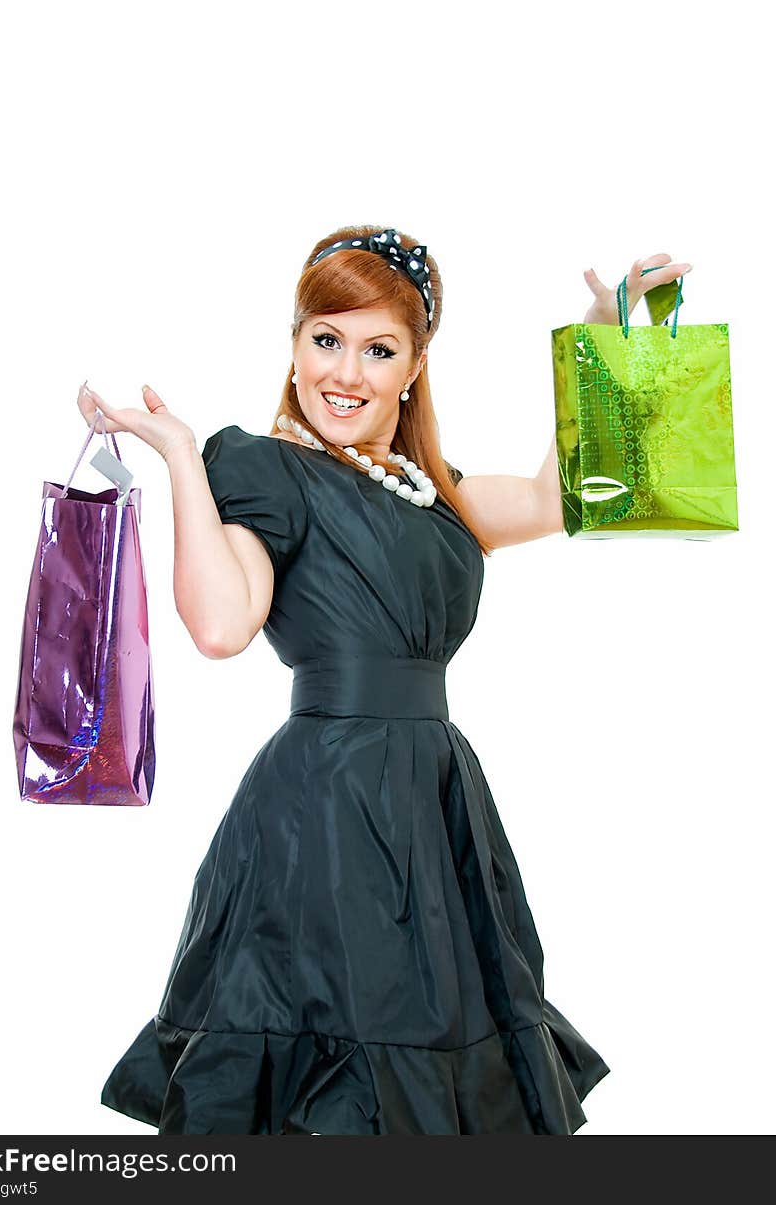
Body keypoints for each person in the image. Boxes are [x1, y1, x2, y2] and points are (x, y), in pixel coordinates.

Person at [82, 225, 690, 1135]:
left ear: (413, 367)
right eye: (326, 339)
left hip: (436, 801)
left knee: (438, 1066)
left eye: (379, 350)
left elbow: (571, 496)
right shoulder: (262, 468)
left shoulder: (435, 492)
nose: (347, 372)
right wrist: (180, 457)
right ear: (294, 346)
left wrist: (606, 345)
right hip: (326, 807)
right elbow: (219, 624)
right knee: (344, 1065)